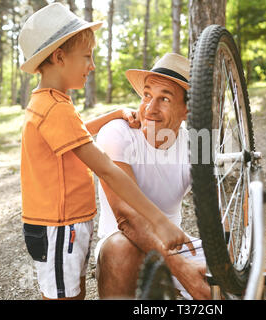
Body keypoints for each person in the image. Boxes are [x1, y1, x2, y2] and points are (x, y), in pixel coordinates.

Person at [18, 4, 192, 300]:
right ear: (60, 57)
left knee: (75, 292)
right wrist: (159, 221)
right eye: (87, 56)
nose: (92, 65)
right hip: (60, 226)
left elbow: (77, 131)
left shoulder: (51, 104)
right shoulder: (55, 109)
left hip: (67, 225)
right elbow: (108, 171)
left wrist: (112, 114)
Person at [95, 53, 211, 300]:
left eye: (164, 98)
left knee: (238, 266)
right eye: (147, 95)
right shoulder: (117, 133)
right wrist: (185, 274)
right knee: (121, 248)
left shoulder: (198, 143)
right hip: (122, 240)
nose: (150, 108)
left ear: (186, 110)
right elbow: (126, 217)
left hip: (176, 246)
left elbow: (216, 207)